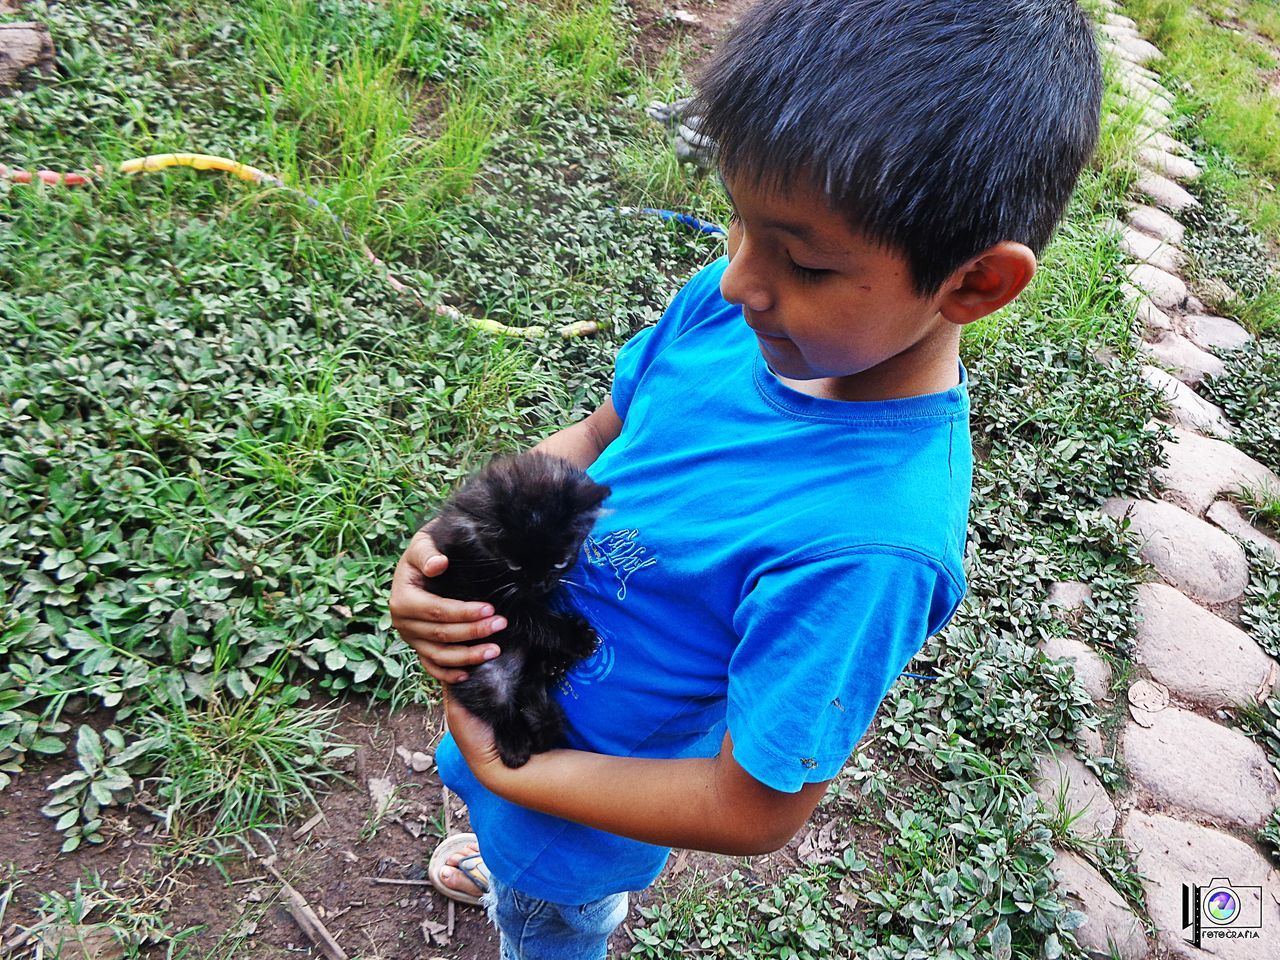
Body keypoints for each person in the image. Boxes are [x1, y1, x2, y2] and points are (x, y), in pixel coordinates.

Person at [389, 0, 1102, 956]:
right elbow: (601, 436)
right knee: (505, 836)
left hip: (577, 811)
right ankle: (500, 846)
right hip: (512, 723)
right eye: (739, 219)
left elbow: (752, 806)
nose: (736, 279)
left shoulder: (866, 544)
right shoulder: (735, 314)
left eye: (803, 258)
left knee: (548, 918)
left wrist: (512, 770)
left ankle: (542, 890)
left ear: (973, 283)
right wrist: (450, 543)